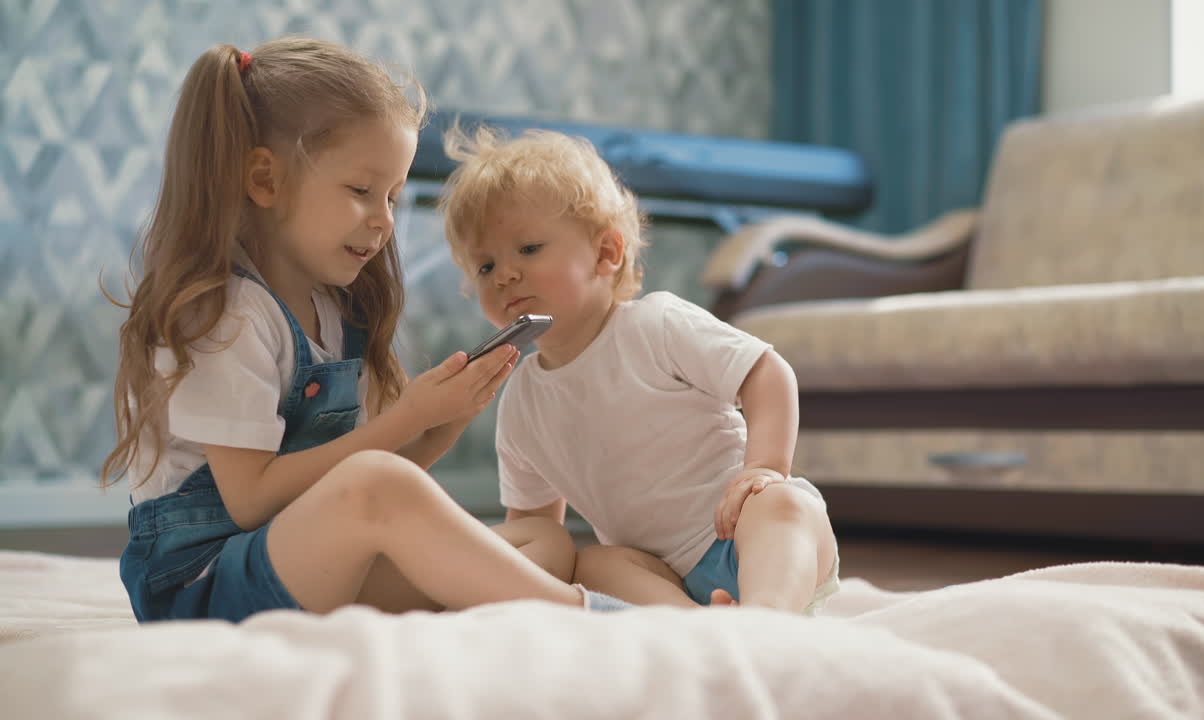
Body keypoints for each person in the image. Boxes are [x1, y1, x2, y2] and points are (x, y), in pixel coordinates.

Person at [100, 36, 628, 623]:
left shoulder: (334, 308)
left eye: (394, 196)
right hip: (202, 584)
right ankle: (592, 617)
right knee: (380, 482)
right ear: (265, 180)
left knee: (544, 544)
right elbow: (251, 501)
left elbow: (374, 494)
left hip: (301, 558)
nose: (384, 220)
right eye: (360, 191)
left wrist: (444, 420)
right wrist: (408, 418)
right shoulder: (225, 315)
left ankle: (508, 607)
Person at [437, 126, 841, 615]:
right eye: (484, 266)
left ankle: (768, 617)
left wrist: (764, 468)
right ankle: (697, 624)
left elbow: (767, 373)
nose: (504, 275)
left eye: (527, 250)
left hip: (747, 532)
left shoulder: (657, 324)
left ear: (606, 253)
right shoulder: (521, 399)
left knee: (784, 504)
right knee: (592, 565)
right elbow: (538, 531)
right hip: (664, 575)